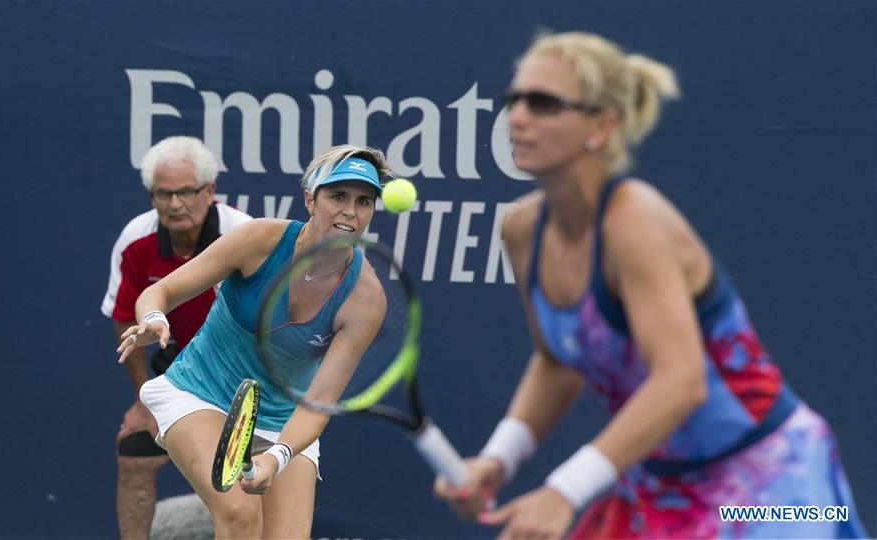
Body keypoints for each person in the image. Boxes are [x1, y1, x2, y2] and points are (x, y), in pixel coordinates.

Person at [434, 31, 867, 539]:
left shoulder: (633, 221)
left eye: (544, 103)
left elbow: (681, 380)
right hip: (659, 485)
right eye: (516, 99)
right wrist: (498, 459)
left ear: (602, 126)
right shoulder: (522, 228)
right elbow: (557, 364)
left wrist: (564, 491)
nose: (519, 116)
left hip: (771, 481)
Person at [116, 144, 392, 539]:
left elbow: (318, 403)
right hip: (200, 393)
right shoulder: (259, 240)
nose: (350, 211)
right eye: (337, 196)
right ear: (310, 200)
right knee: (240, 514)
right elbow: (161, 292)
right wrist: (153, 318)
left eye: (363, 201)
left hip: (285, 422)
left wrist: (278, 456)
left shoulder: (366, 300)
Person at [102, 135, 252, 539]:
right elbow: (125, 321)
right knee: (133, 454)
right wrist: (143, 400)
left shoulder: (244, 235)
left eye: (185, 192)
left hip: (242, 376)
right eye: (163, 194)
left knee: (245, 484)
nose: (174, 204)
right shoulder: (136, 239)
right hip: (178, 373)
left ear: (210, 190)